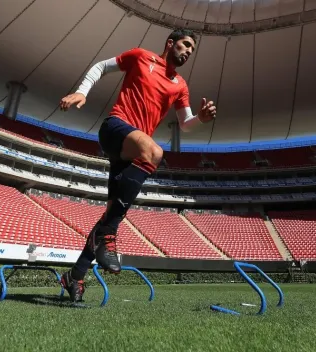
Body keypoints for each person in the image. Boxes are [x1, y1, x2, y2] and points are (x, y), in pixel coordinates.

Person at [59, 29, 216, 302]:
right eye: (185, 44)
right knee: (155, 151)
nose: (189, 51)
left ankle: (75, 275)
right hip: (116, 128)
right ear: (170, 43)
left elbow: (185, 123)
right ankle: (108, 235)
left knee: (110, 214)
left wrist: (200, 118)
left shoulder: (180, 85)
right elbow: (101, 67)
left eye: (192, 49)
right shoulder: (141, 57)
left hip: (130, 151)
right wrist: (81, 91)